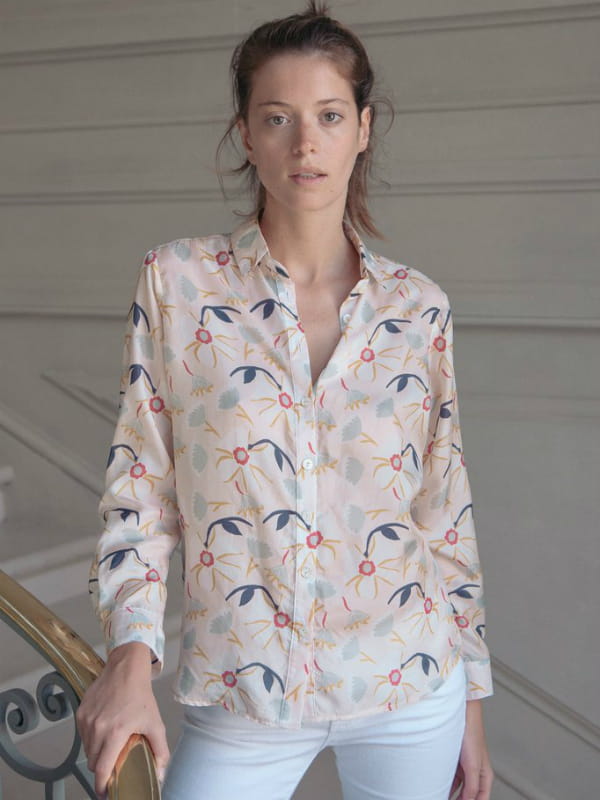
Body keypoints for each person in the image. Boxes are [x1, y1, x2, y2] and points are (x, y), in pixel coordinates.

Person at [76, 2, 495, 799]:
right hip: (245, 695)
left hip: (412, 689)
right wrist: (130, 657)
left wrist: (470, 701)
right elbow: (141, 492)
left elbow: (444, 515)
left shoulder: (419, 309)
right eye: (278, 118)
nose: (305, 143)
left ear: (363, 129)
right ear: (245, 133)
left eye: (329, 116)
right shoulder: (178, 284)